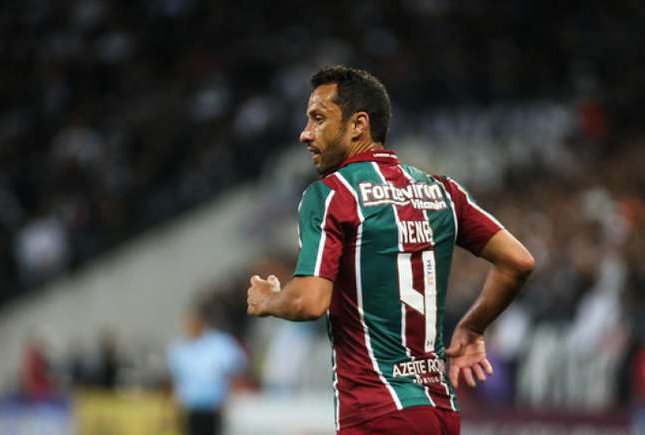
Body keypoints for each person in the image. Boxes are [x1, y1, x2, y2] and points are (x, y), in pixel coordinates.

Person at [246, 65, 534, 435]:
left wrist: (268, 300)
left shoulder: (333, 194)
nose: (305, 134)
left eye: (318, 118)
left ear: (358, 124)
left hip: (378, 414)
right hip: (440, 411)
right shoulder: (442, 191)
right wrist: (474, 327)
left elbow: (308, 302)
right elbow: (518, 262)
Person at [168, 303, 246, 435]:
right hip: (189, 409)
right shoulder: (179, 347)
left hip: (214, 408)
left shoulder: (220, 344)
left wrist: (229, 399)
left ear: (203, 322)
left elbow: (237, 371)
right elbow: (175, 379)